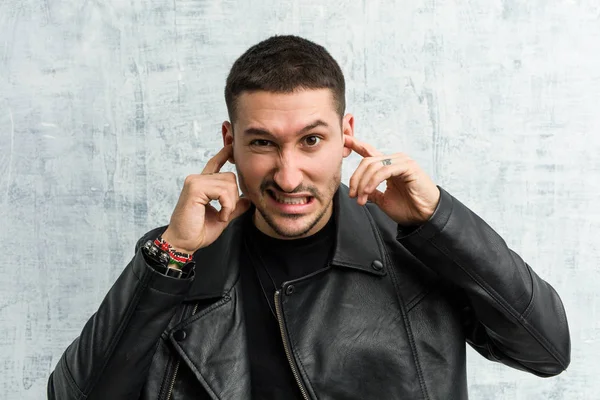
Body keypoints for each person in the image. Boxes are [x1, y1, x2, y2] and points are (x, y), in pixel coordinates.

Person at [48, 35, 571, 400]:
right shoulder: (177, 259)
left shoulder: (417, 245)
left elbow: (546, 351)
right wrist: (171, 257)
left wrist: (438, 221)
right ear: (230, 143)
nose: (289, 175)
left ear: (346, 135)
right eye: (262, 143)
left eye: (312, 140)